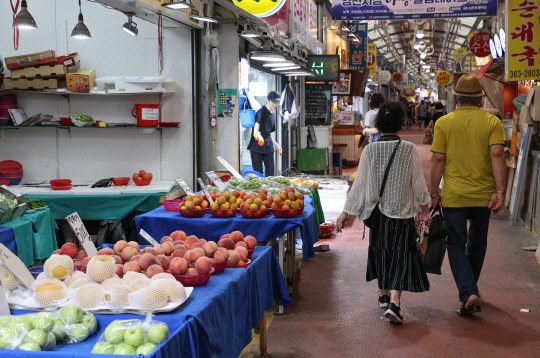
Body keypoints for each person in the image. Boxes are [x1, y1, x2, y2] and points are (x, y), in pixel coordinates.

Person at [336, 102, 431, 324]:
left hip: (377, 214)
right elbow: (418, 184)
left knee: (382, 251)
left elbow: (358, 185)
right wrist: (426, 206)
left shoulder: (369, 150)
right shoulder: (409, 149)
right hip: (402, 213)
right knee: (401, 254)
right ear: (401, 123)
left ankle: (383, 294)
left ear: (378, 124)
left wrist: (345, 213)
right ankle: (395, 304)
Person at [430, 74, 506, 317]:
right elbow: (497, 155)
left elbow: (438, 158)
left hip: (454, 195)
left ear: (455, 98)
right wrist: (500, 191)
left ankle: (468, 291)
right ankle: (470, 290)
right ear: (480, 98)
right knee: (478, 241)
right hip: (484, 196)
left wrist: (434, 192)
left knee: (455, 243)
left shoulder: (444, 122)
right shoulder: (492, 122)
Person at [247, 91, 282, 177]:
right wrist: (256, 134)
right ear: (268, 100)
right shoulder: (261, 111)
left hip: (268, 147)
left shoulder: (273, 115)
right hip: (256, 147)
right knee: (258, 174)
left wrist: (277, 146)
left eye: (277, 103)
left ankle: (269, 190)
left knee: (270, 174)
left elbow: (268, 133)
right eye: (274, 102)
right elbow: (257, 126)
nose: (276, 105)